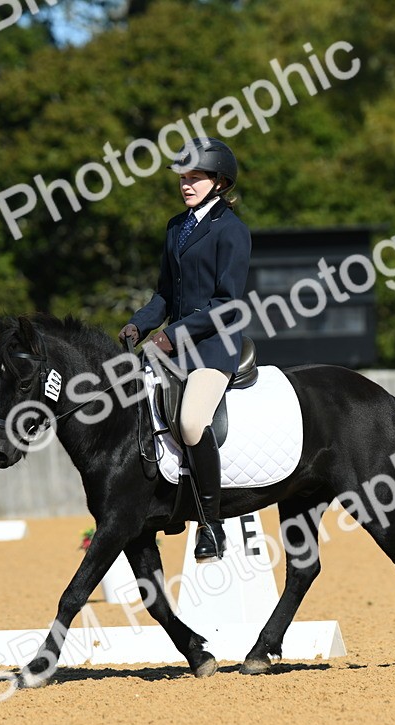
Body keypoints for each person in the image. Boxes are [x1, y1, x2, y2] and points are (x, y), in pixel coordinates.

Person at [117, 137, 250, 562]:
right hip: (173, 348)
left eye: (195, 178)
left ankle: (212, 525)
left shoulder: (231, 231)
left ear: (220, 182)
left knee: (192, 422)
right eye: (183, 178)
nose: (186, 185)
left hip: (213, 348)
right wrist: (140, 323)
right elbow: (164, 293)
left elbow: (227, 304)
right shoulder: (177, 226)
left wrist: (171, 335)